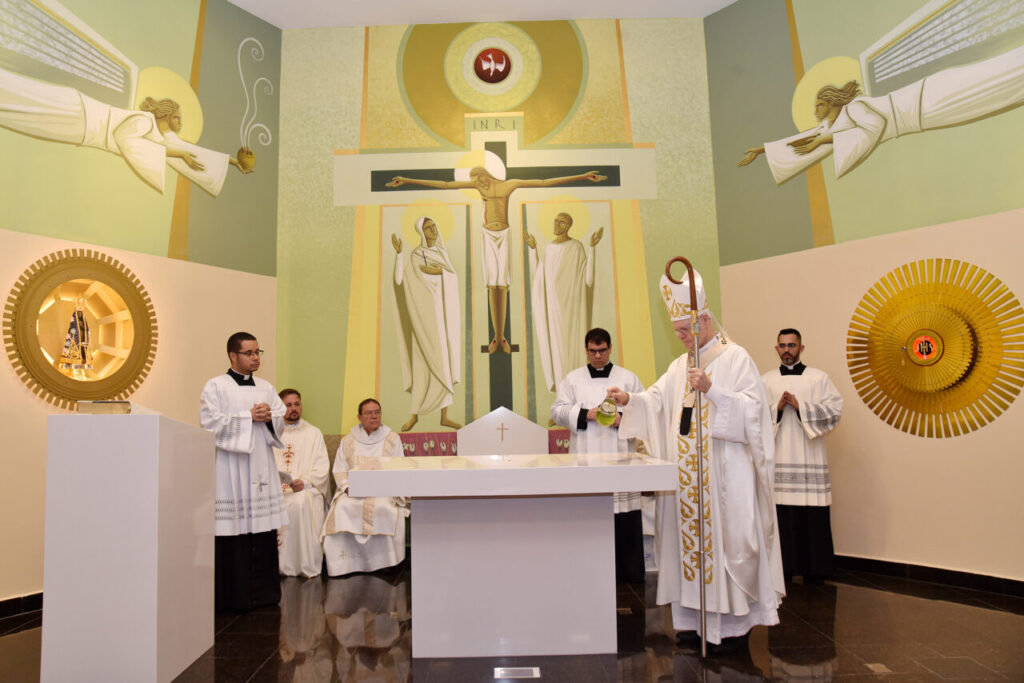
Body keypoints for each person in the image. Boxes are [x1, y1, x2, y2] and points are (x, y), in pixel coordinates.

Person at [606, 268, 784, 653]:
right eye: (678, 333)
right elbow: (656, 402)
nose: (683, 338)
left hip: (724, 480)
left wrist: (714, 390)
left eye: (686, 330)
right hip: (687, 486)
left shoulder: (736, 358)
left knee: (730, 547)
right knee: (686, 550)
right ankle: (692, 621)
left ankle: (732, 627)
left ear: (705, 319)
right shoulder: (678, 366)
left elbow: (756, 416)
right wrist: (630, 402)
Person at [386, 166, 606, 354]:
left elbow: (543, 182)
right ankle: (497, 336)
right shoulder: (478, 187)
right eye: (474, 180)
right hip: (487, 236)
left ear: (486, 174)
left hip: (504, 235)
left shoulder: (508, 185)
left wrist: (583, 177)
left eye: (479, 177)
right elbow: (444, 185)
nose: (477, 183)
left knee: (503, 285)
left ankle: (502, 336)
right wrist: (407, 180)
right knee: (492, 285)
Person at [737, 45, 1024, 184]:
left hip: (928, 99)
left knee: (992, 79)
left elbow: (874, 125)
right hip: (927, 114)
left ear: (832, 102)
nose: (816, 113)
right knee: (992, 97)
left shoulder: (856, 109)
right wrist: (762, 150)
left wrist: (822, 142)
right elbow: (809, 138)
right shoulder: (840, 125)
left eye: (819, 106)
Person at [0, 66, 253, 195]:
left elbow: (188, 150)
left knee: (17, 114)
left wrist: (232, 163)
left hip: (81, 128)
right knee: (19, 96)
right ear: (166, 115)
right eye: (178, 118)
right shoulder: (144, 122)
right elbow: (124, 138)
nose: (180, 124)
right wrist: (178, 155)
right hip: (80, 113)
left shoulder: (155, 134)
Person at [200, 331, 287, 611]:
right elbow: (209, 423)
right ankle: (232, 597)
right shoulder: (215, 386)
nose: (255, 358)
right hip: (230, 468)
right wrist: (247, 417)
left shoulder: (266, 387)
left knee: (262, 532)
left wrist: (271, 417)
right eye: (249, 353)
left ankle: (264, 594)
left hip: (260, 465)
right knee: (233, 533)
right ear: (233, 356)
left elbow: (280, 418)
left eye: (258, 352)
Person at [550, 327, 645, 583]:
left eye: (602, 351)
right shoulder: (573, 379)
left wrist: (621, 420)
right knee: (588, 516)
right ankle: (586, 575)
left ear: (610, 348)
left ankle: (628, 577)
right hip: (586, 458)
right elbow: (557, 411)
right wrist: (585, 414)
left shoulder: (628, 379)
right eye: (593, 351)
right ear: (586, 350)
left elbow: (645, 411)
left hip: (620, 460)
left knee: (623, 518)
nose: (598, 356)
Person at [762, 329, 843, 583]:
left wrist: (801, 407)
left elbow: (835, 411)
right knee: (783, 515)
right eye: (783, 345)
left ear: (801, 348)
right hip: (780, 456)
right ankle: (783, 571)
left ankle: (815, 571)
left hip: (810, 457)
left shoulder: (819, 379)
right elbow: (753, 416)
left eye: (792, 345)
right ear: (776, 349)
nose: (787, 350)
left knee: (812, 515)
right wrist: (775, 408)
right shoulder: (765, 381)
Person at [321, 399, 407, 576]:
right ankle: (346, 565)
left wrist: (385, 487)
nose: (374, 416)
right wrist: (346, 487)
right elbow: (339, 468)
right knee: (342, 508)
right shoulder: (349, 441)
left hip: (384, 492)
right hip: (353, 491)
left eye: (377, 412)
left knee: (383, 507)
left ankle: (386, 564)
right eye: (369, 413)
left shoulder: (392, 439)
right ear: (359, 417)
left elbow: (400, 466)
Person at [391, 216, 461, 432]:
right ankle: (414, 415)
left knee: (443, 360)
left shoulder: (441, 253)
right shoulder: (415, 255)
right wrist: (400, 254)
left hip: (442, 317)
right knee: (422, 363)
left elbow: (450, 277)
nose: (432, 229)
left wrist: (440, 272)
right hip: (423, 318)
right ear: (421, 231)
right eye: (427, 227)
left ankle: (445, 416)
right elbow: (401, 280)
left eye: (433, 226)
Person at [526, 213, 604, 392]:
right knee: (557, 352)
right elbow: (540, 275)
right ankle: (562, 401)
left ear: (568, 226)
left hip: (573, 307)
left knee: (573, 349)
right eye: (555, 220)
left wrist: (592, 248)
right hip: (554, 308)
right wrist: (533, 250)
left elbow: (587, 278)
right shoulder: (550, 248)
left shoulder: (576, 247)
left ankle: (577, 396)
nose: (556, 224)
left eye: (561, 222)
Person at [273, 388, 331, 577]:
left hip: (305, 489)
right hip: (276, 489)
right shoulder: (272, 433)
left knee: (299, 502)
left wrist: (304, 483)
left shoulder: (313, 433)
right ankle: (275, 566)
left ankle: (300, 564)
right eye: (288, 405)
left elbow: (322, 469)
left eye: (297, 404)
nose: (294, 408)